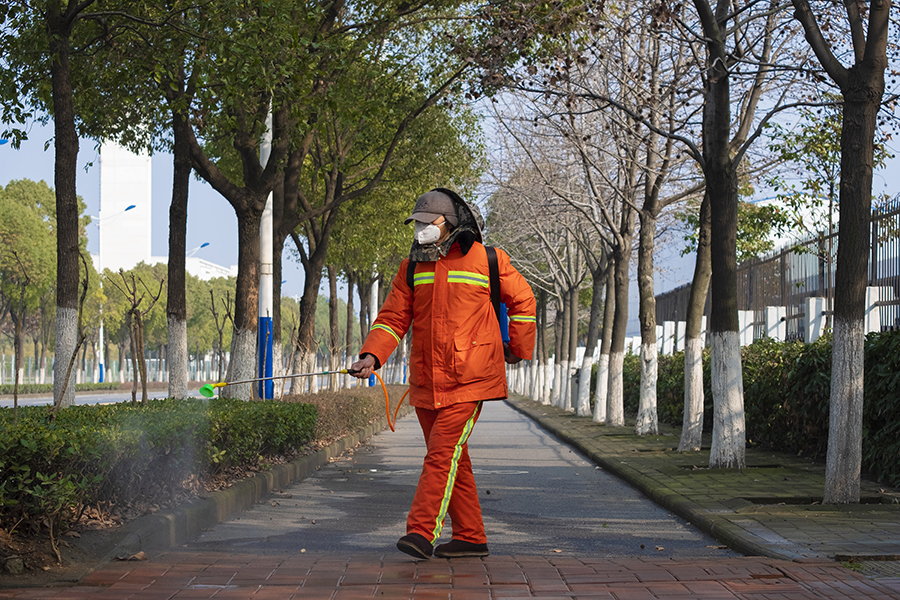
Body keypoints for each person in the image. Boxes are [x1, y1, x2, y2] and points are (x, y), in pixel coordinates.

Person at [350, 188, 536, 560]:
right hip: (426, 381)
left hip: (471, 379)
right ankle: (471, 536)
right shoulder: (411, 267)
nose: (418, 229)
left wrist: (517, 348)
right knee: (453, 458)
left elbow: (524, 302)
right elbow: (392, 318)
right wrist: (372, 354)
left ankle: (421, 532)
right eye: (415, 223)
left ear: (448, 224)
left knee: (440, 455)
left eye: (425, 222)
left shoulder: (489, 260)